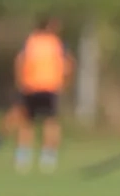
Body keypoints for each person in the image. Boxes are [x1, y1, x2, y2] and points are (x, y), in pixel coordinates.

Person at [14, 17, 75, 173]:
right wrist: (65, 82)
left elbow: (19, 62)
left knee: (29, 122)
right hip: (48, 86)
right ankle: (47, 157)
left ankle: (24, 157)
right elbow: (69, 64)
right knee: (49, 122)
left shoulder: (30, 41)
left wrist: (20, 81)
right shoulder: (57, 43)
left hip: (32, 86)